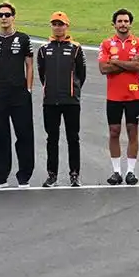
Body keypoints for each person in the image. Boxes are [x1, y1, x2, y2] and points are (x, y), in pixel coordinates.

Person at [0, 1, 36, 188]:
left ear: (14, 16)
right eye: (0, 15)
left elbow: (29, 65)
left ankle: (24, 175)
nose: (4, 18)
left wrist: (28, 89)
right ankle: (2, 175)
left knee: (24, 134)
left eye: (7, 14)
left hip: (20, 93)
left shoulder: (23, 39)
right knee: (1, 134)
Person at [37, 12, 89, 186]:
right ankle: (52, 174)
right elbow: (41, 74)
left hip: (71, 101)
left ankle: (74, 174)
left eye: (61, 24)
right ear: (51, 26)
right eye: (55, 24)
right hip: (50, 101)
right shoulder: (44, 48)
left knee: (73, 138)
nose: (58, 27)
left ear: (67, 26)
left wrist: (73, 91)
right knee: (52, 138)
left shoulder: (76, 48)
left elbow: (82, 74)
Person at [98, 8, 139, 185]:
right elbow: (103, 68)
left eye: (126, 21)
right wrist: (129, 64)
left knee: (132, 131)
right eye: (120, 21)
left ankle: (130, 172)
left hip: (133, 94)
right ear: (114, 24)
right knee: (114, 132)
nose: (123, 24)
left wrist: (116, 62)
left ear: (130, 23)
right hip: (114, 96)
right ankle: (116, 171)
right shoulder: (106, 44)